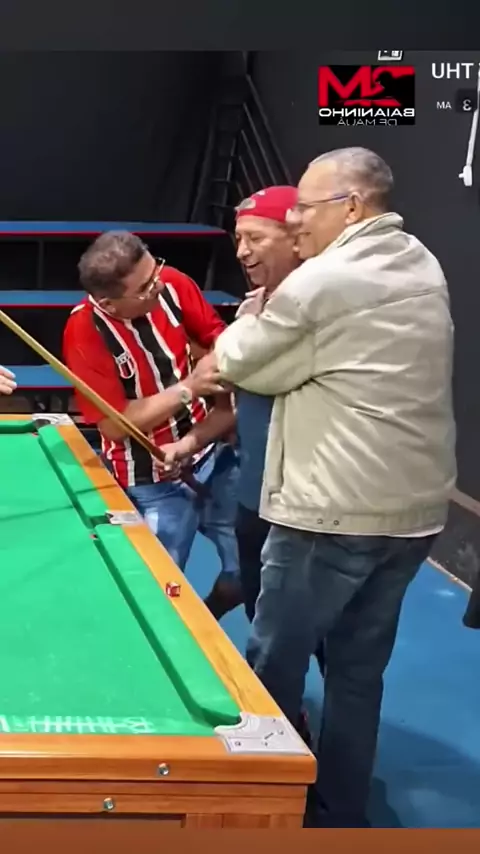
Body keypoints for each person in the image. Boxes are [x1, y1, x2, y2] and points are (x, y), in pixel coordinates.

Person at [192, 147, 457, 827]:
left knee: (272, 666)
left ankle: (265, 817)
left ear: (353, 206)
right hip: (413, 517)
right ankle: (340, 816)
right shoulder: (422, 262)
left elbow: (239, 363)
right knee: (357, 674)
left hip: (330, 514)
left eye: (306, 208)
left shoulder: (324, 280)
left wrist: (251, 320)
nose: (298, 220)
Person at [63, 230, 243, 619]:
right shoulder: (84, 331)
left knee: (246, 566)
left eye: (155, 270)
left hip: (212, 451)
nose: (158, 285)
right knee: (157, 592)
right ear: (109, 303)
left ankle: (209, 620)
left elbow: (222, 343)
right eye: (145, 288)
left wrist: (218, 409)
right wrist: (190, 388)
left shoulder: (170, 282)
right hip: (150, 479)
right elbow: (114, 426)